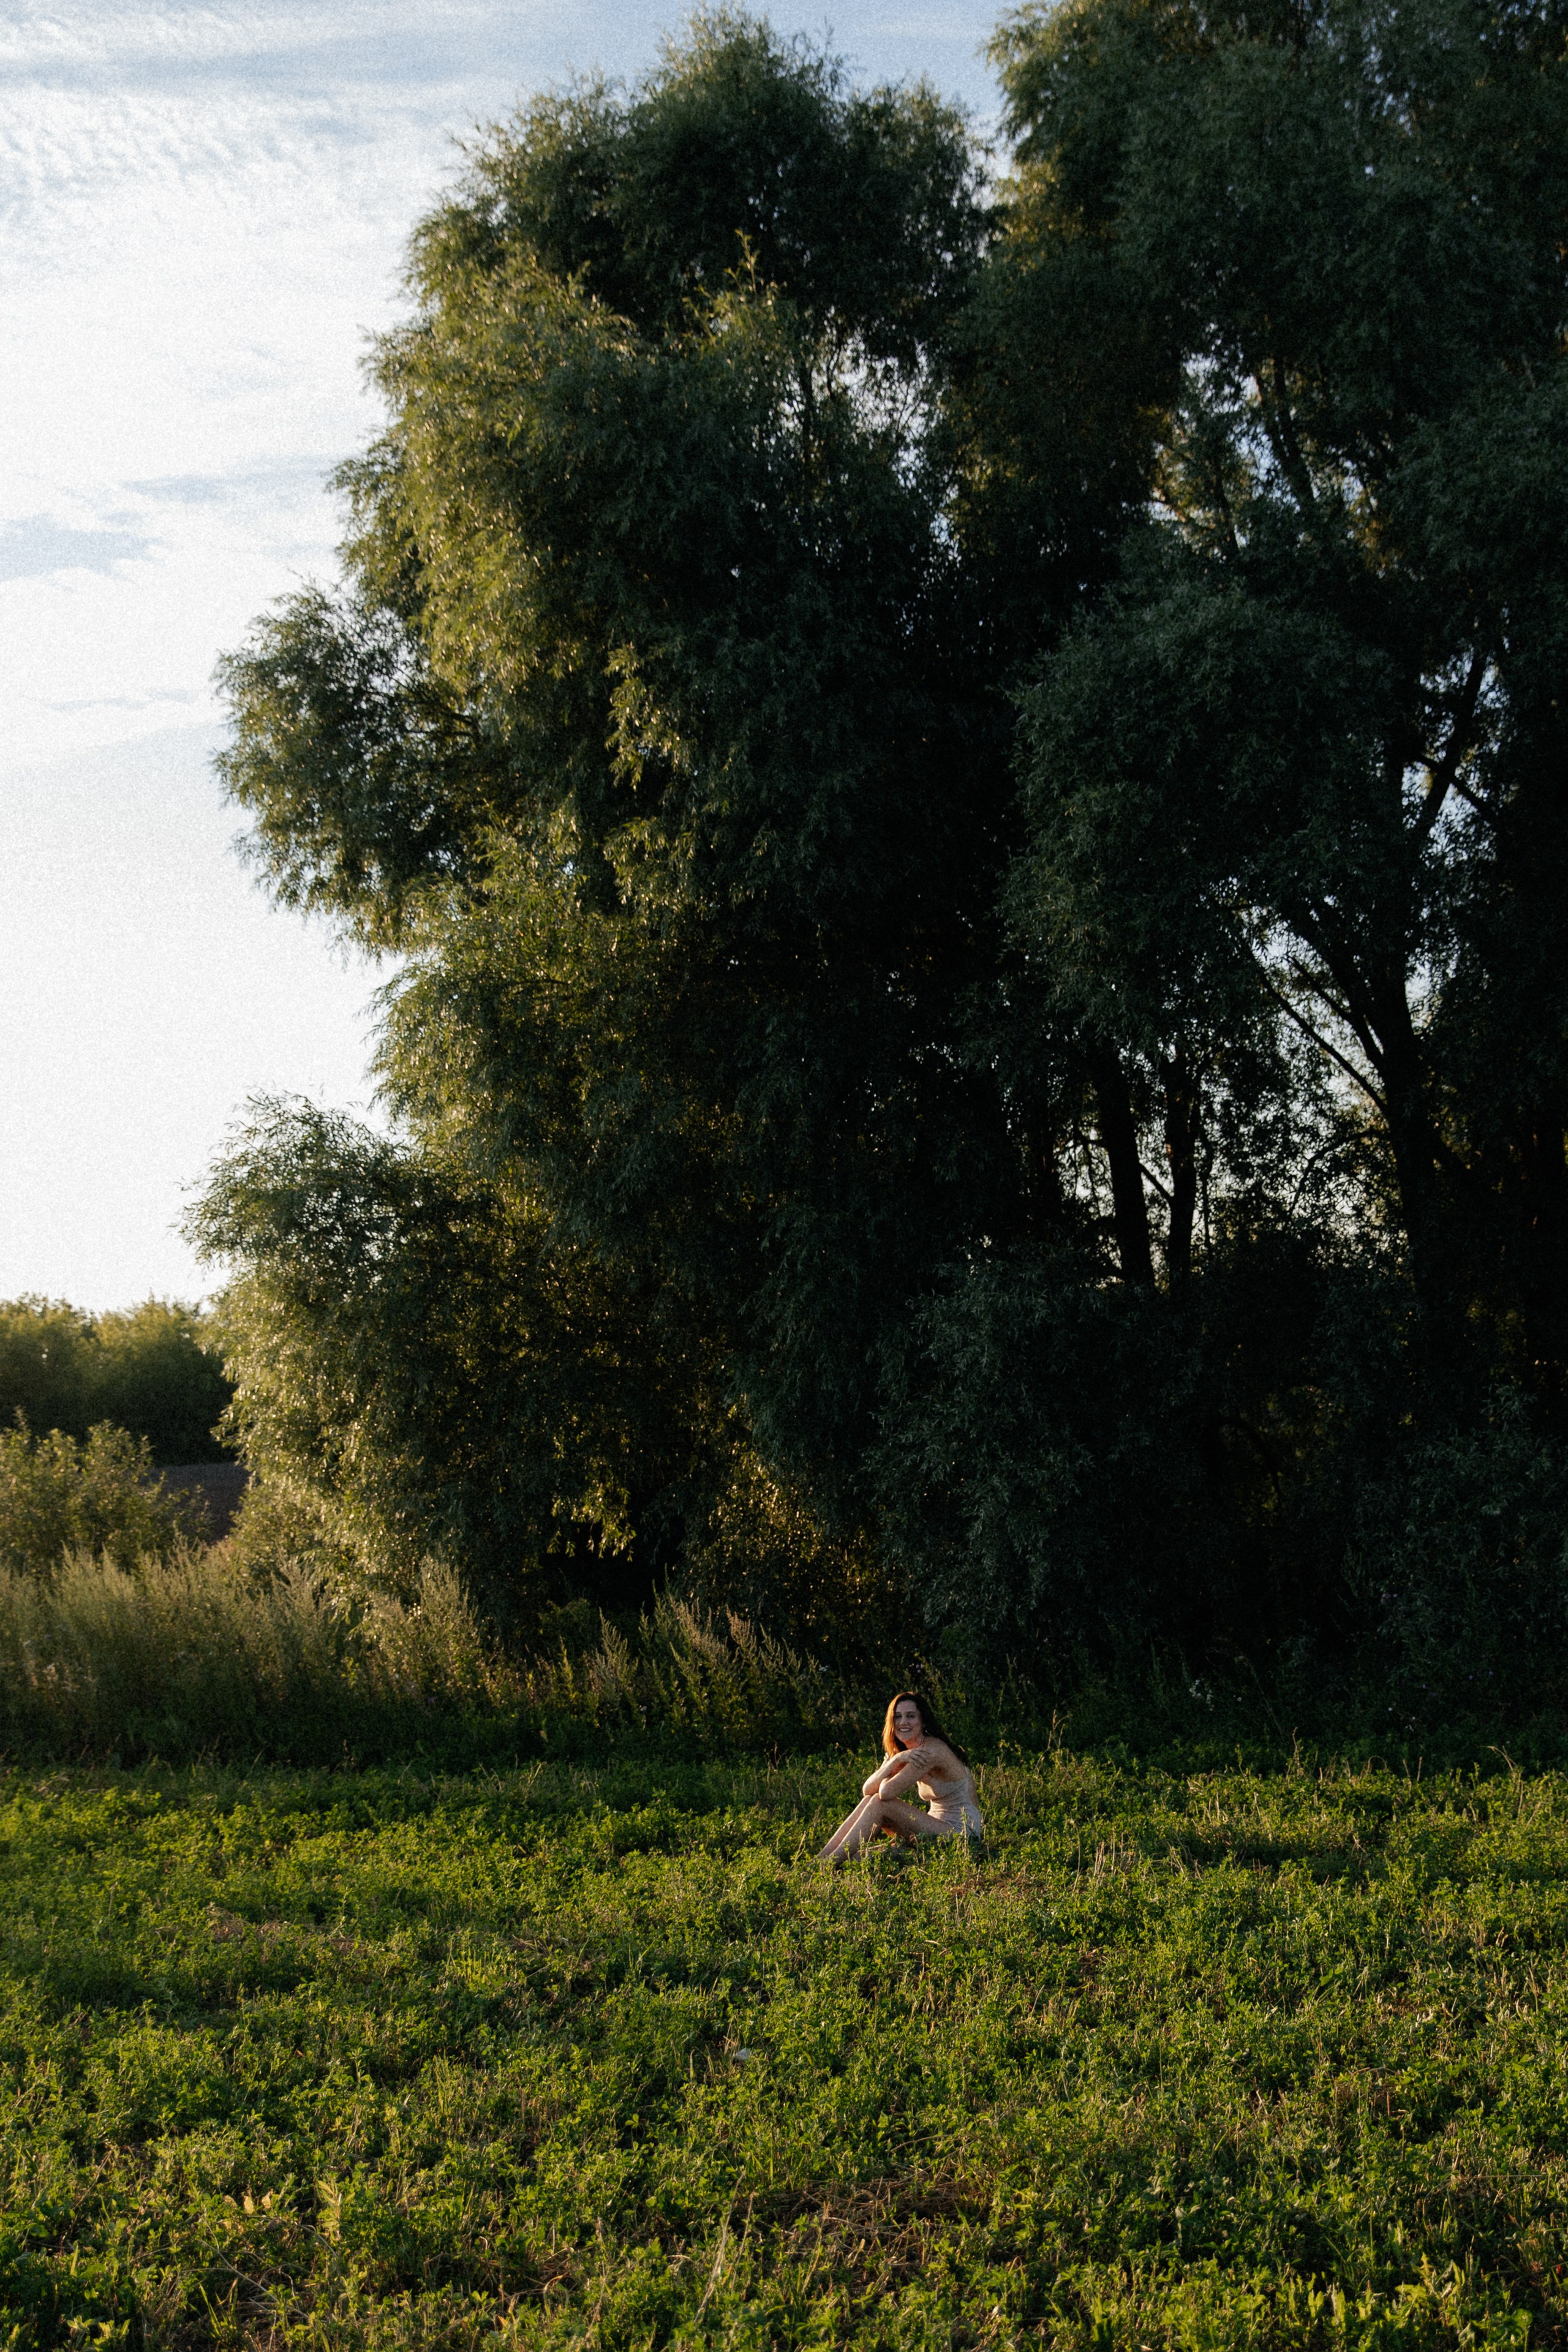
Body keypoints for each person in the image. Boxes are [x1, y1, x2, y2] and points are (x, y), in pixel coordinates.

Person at [817, 1690, 984, 1863]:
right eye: (897, 1717)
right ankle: (820, 1860)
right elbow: (867, 1790)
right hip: (934, 1828)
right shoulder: (910, 1751)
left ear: (923, 1720)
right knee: (858, 1858)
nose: (903, 1722)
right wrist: (894, 1761)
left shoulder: (930, 1751)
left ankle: (828, 1864)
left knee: (879, 1804)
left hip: (962, 1838)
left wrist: (895, 1762)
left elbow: (886, 1794)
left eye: (910, 1716)